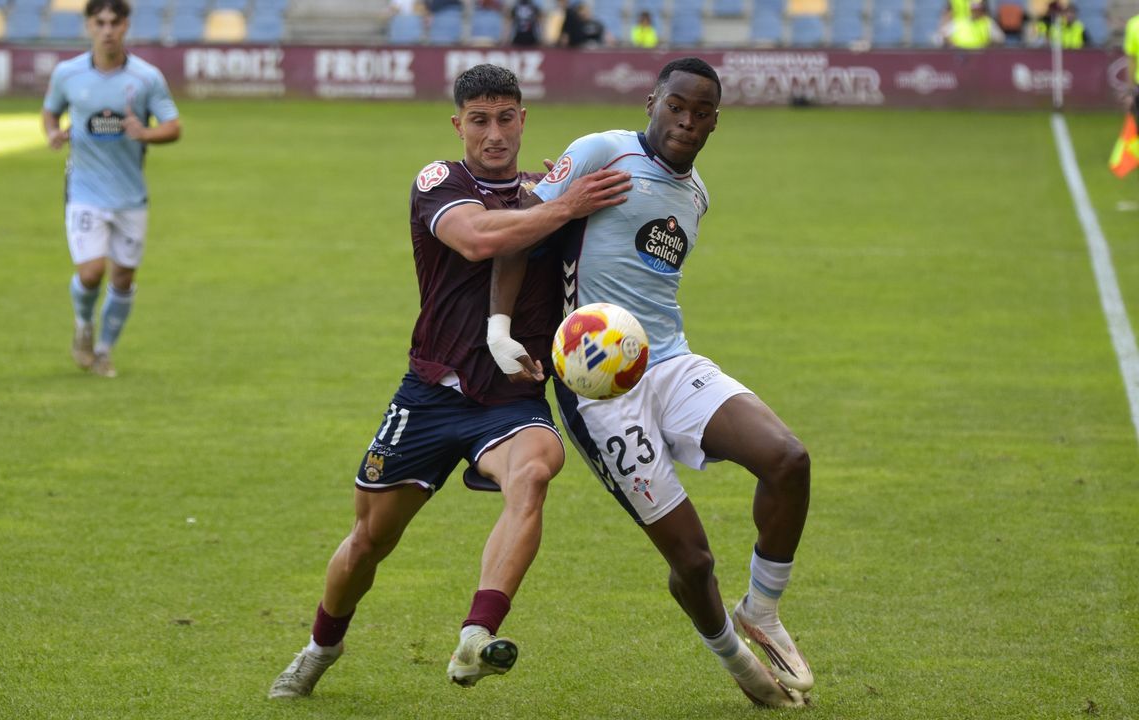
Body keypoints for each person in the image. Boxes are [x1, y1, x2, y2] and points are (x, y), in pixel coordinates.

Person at [267, 64, 631, 700]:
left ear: (524, 118)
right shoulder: (441, 182)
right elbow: (476, 239)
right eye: (480, 120)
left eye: (507, 117)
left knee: (537, 469)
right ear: (458, 124)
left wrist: (570, 208)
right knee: (369, 541)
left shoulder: (546, 192)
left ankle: (476, 633)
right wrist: (563, 203)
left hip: (512, 400)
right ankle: (322, 645)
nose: (495, 133)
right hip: (432, 393)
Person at [486, 57, 811, 708]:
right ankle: (733, 655)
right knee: (692, 561)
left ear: (718, 122)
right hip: (599, 389)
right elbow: (522, 232)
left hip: (668, 361)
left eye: (701, 113)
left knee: (788, 460)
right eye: (676, 106)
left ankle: (763, 610)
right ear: (651, 102)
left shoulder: (697, 196)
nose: (686, 122)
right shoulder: (600, 152)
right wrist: (499, 328)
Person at [41, 0, 181, 378]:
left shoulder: (146, 78)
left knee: (123, 278)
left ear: (125, 27)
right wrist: (53, 132)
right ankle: (84, 328)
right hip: (84, 189)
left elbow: (173, 126)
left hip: (130, 194)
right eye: (99, 22)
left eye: (114, 23)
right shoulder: (68, 73)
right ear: (88, 26)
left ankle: (104, 351)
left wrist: (146, 132)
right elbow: (51, 110)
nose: (107, 30)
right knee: (90, 273)